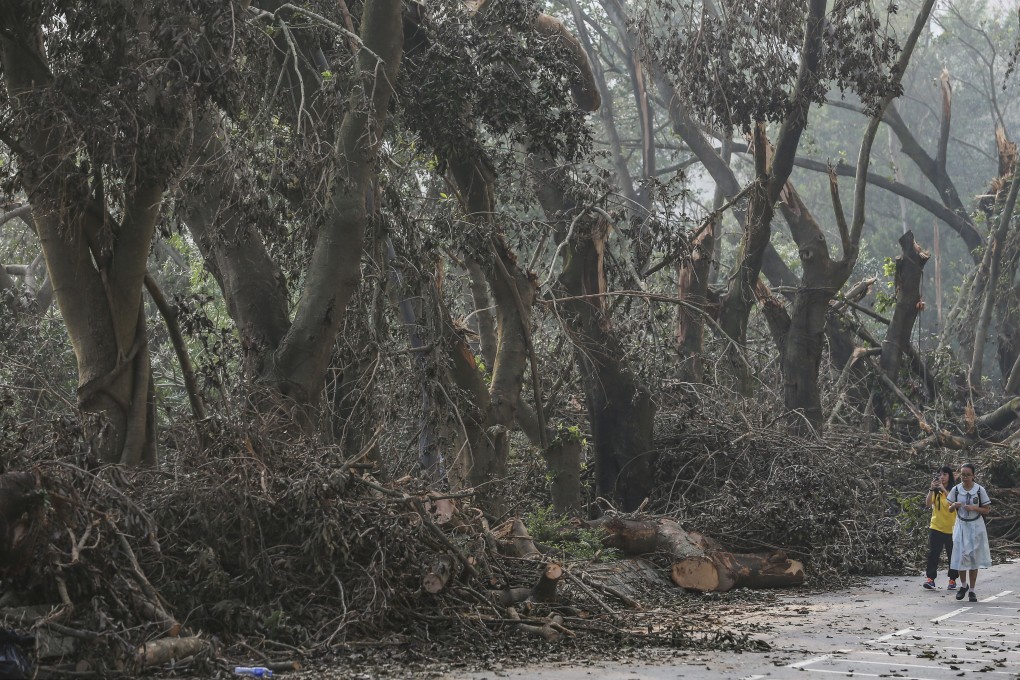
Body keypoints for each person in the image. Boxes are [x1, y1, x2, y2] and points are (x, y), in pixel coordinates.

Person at [948, 463, 992, 602]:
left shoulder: (979, 490)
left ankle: (972, 590)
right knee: (961, 556)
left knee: (973, 557)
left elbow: (986, 509)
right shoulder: (956, 490)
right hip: (961, 525)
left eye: (968, 475)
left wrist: (974, 508)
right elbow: (949, 508)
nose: (965, 477)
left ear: (973, 475)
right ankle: (963, 585)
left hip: (976, 526)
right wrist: (954, 505)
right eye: (963, 475)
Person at [922, 465, 958, 590]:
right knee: (933, 553)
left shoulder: (954, 490)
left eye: (945, 474)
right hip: (936, 526)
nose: (942, 477)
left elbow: (952, 503)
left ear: (950, 476)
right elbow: (927, 503)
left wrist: (943, 489)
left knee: (952, 555)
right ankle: (930, 579)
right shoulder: (936, 491)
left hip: (952, 528)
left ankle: (952, 580)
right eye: (940, 474)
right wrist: (932, 489)